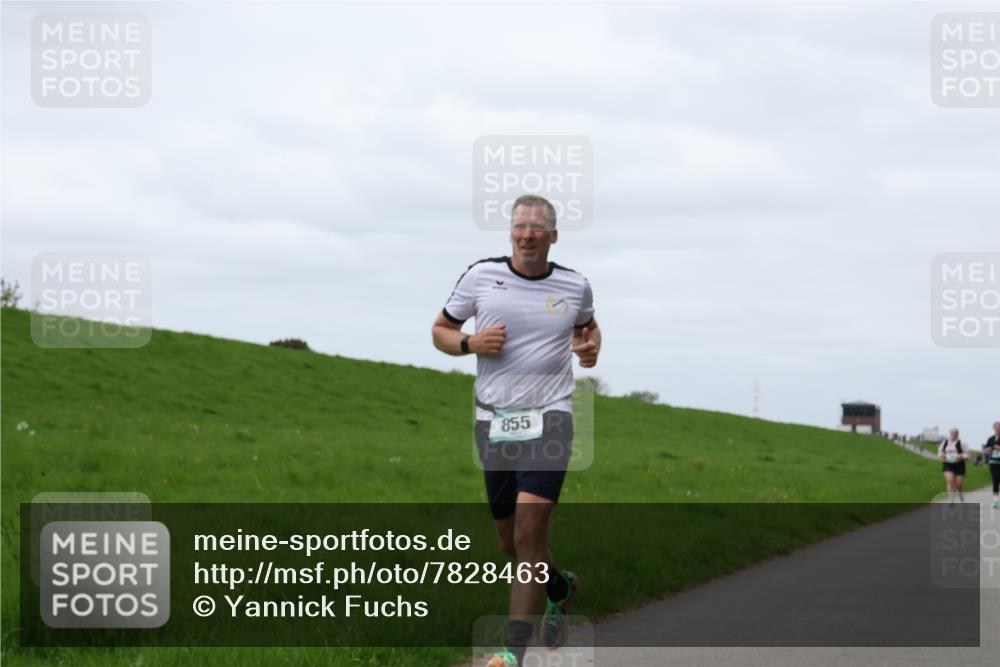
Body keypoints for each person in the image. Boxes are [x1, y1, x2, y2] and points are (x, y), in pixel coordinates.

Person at [431, 194, 601, 667]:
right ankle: (560, 587)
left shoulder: (575, 285)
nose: (528, 234)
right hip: (494, 421)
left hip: (551, 417)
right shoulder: (481, 276)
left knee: (530, 530)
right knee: (511, 544)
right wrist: (469, 342)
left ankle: (511, 653)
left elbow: (588, 329)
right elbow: (440, 330)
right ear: (511, 233)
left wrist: (589, 351)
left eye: (538, 227)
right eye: (520, 226)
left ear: (553, 235)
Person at [938, 428, 970, 505]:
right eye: (952, 433)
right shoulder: (945, 443)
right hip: (948, 464)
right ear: (950, 434)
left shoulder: (962, 443)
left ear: (957, 434)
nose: (953, 435)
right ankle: (951, 500)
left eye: (955, 433)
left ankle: (960, 493)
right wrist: (943, 455)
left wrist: (961, 455)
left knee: (959, 483)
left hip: (959, 465)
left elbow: (968, 455)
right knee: (950, 480)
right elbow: (939, 453)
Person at [984, 421, 1000, 509]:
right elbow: (986, 449)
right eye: (996, 428)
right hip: (993, 462)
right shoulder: (991, 438)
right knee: (995, 480)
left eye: (999, 427)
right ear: (994, 428)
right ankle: (995, 500)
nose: (997, 429)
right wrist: (988, 449)